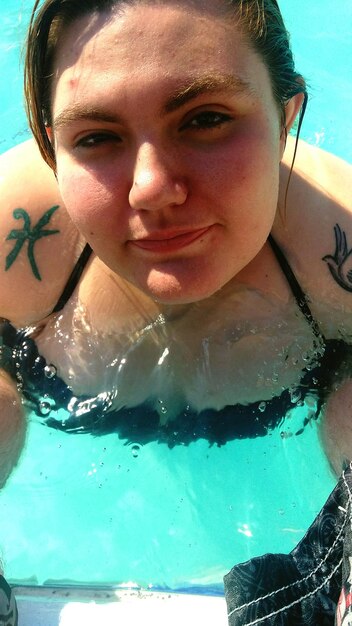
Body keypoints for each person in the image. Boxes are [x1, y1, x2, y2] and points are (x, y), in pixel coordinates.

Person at [0, 0, 351, 623]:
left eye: (206, 118)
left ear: (286, 117)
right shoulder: (14, 238)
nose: (151, 188)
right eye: (97, 137)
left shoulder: (337, 249)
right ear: (53, 145)